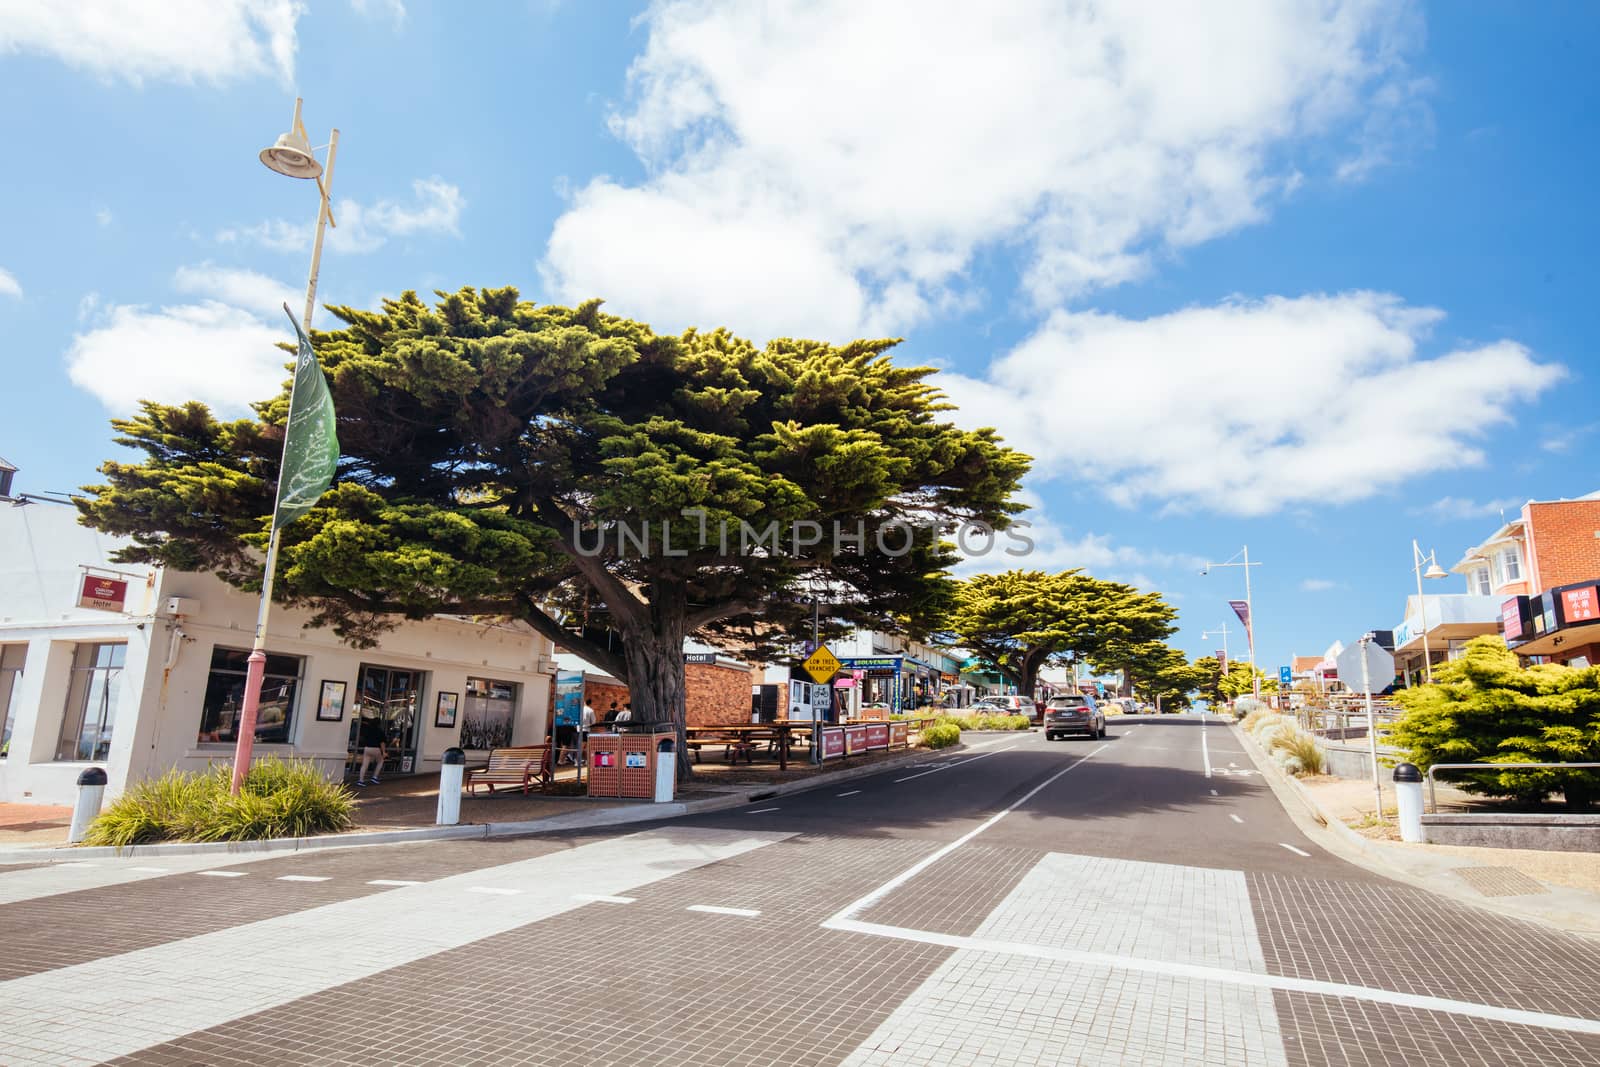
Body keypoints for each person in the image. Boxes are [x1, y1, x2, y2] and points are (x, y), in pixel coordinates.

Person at [355, 713, 387, 786]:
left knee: (364, 765)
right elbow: (382, 743)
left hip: (367, 748)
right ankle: (375, 777)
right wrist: (384, 752)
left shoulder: (367, 729)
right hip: (376, 748)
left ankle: (361, 780)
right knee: (380, 761)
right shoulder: (380, 731)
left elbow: (362, 738)